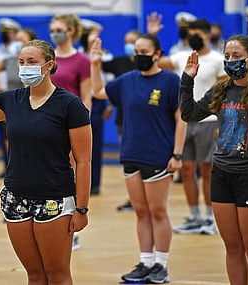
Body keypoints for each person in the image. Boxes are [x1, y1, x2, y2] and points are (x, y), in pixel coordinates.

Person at [0, 40, 92, 285]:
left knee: (57, 275)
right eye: (22, 62)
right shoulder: (11, 100)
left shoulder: (71, 105)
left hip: (54, 198)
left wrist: (81, 209)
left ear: (49, 66)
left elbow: (84, 162)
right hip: (16, 198)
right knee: (34, 275)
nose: (25, 67)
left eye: (32, 62)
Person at [180, 35, 248, 285]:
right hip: (222, 175)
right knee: (232, 246)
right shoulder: (221, 90)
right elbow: (188, 114)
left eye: (237, 57)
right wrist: (188, 79)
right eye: (227, 56)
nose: (231, 61)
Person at [90, 34, 186, 284]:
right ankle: (145, 262)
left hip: (159, 156)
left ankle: (161, 265)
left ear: (157, 54)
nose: (139, 55)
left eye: (145, 51)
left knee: (157, 211)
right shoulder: (126, 81)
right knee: (141, 212)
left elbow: (181, 119)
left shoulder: (170, 81)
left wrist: (177, 153)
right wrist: (95, 64)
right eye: (137, 51)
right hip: (131, 154)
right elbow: (99, 91)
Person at [151, 17, 227, 235]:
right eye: (190, 34)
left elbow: (223, 94)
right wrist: (153, 35)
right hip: (184, 121)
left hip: (209, 122)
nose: (193, 38)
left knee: (207, 170)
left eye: (197, 34)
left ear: (207, 34)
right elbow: (155, 61)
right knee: (186, 169)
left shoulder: (216, 59)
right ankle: (194, 216)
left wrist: (221, 122)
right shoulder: (182, 55)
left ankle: (210, 217)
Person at [50, 13, 92, 251]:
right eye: (53, 28)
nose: (56, 32)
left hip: (70, 125)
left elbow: (86, 96)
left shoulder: (81, 60)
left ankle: (72, 223)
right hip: (46, 125)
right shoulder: (47, 58)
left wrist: (81, 124)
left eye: (61, 29)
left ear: (71, 31)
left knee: (72, 174)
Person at [101, 29, 140, 212]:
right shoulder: (120, 62)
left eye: (132, 41)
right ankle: (133, 198)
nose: (129, 45)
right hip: (123, 119)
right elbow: (107, 83)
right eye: (127, 41)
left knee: (143, 159)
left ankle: (144, 198)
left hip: (142, 119)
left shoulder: (146, 65)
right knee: (128, 158)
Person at [79, 18, 111, 196]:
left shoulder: (104, 55)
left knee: (95, 145)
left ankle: (95, 183)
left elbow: (109, 80)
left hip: (97, 102)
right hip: (78, 100)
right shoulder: (76, 54)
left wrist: (110, 105)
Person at [0, 17, 22, 180]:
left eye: (8, 31)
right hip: (3, 94)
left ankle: (18, 166)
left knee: (15, 135)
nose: (5, 34)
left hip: (18, 93)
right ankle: (7, 165)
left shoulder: (19, 49)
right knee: (4, 136)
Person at [50, 13, 92, 111]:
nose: (54, 34)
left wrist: (85, 121)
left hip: (70, 116)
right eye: (52, 31)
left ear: (71, 31)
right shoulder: (47, 57)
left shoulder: (83, 60)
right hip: (46, 116)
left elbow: (86, 98)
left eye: (59, 30)